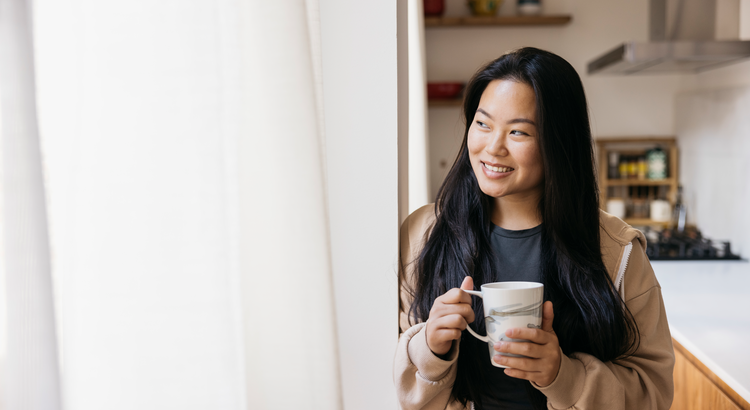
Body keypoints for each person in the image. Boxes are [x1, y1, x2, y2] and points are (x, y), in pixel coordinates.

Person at [393, 48, 675, 410]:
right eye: (482, 124)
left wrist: (563, 375)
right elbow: (396, 383)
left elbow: (654, 392)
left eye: (518, 132)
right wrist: (429, 347)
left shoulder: (616, 252)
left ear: (558, 144)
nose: (493, 148)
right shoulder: (422, 235)